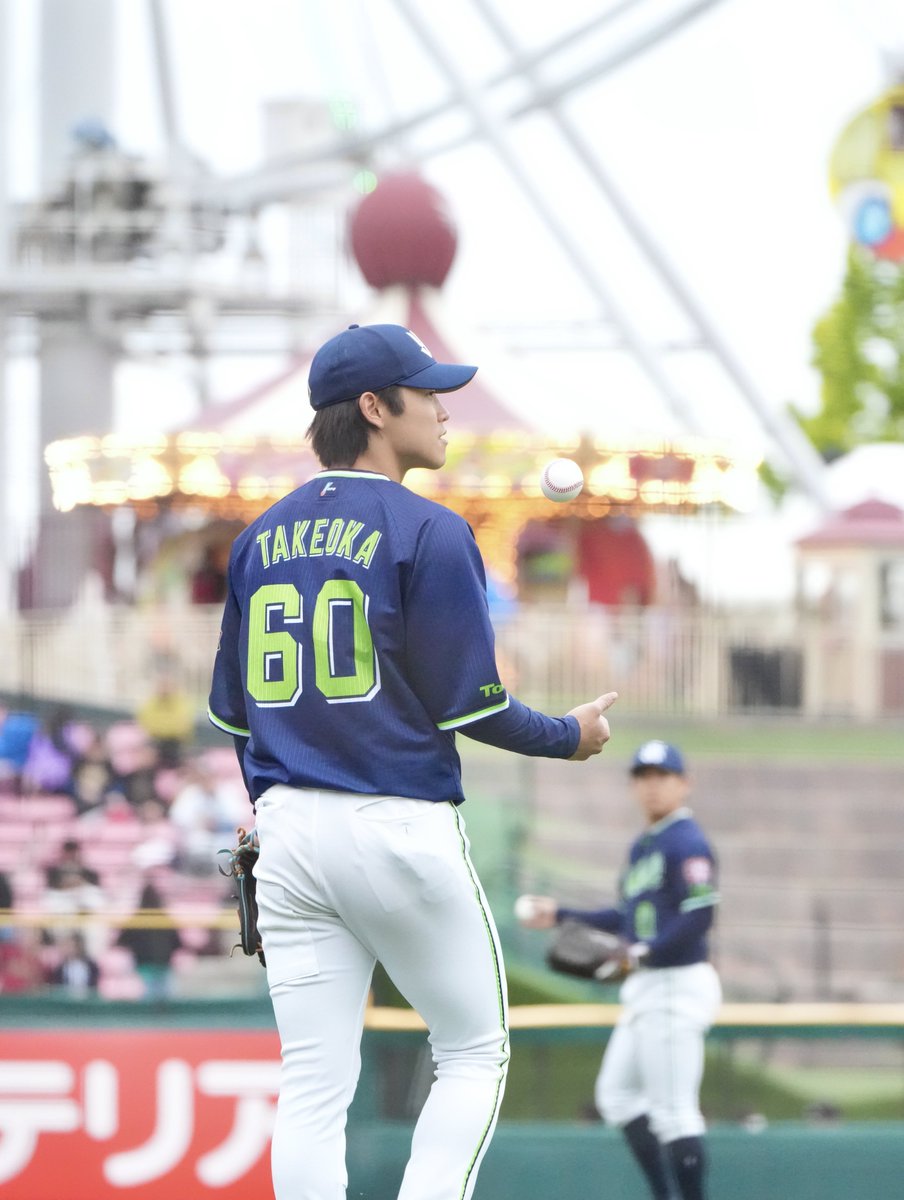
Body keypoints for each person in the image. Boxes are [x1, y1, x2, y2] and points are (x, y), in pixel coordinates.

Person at [207, 322, 618, 1200]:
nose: (441, 407)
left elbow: (233, 716)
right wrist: (569, 736)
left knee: (313, 1088)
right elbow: (470, 704)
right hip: (394, 822)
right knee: (473, 1051)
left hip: (284, 829)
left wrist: (272, 802)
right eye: (425, 392)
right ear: (372, 407)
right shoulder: (429, 530)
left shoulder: (256, 540)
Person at [517, 739, 721, 1200]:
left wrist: (645, 953)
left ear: (684, 784)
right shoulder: (644, 846)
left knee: (674, 1113)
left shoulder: (687, 841)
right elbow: (625, 917)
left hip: (675, 982)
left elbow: (700, 913)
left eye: (662, 777)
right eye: (643, 778)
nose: (652, 787)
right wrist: (564, 913)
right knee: (618, 1096)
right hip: (649, 985)